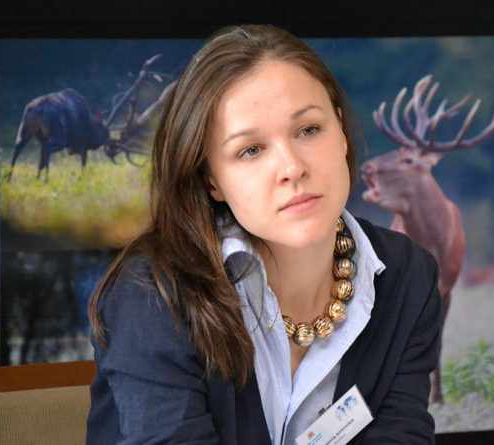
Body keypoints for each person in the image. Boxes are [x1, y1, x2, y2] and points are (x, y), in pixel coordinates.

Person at [86, 24, 442, 445]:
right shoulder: (154, 292)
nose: (292, 167)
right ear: (211, 180)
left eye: (308, 129)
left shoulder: (408, 275)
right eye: (250, 150)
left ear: (342, 133)